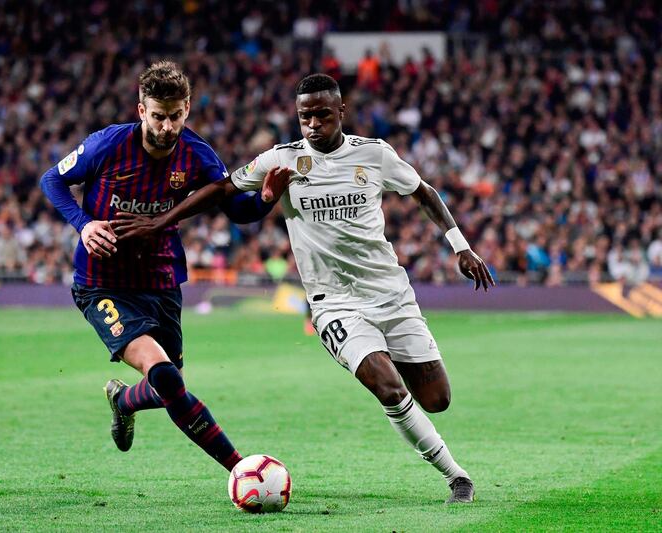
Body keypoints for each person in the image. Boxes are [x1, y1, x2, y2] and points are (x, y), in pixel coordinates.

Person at [111, 73, 495, 503]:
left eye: (322, 115)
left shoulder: (375, 154)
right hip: (334, 303)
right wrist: (161, 222)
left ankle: (398, 373)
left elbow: (423, 192)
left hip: (392, 294)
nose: (312, 124)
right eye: (304, 116)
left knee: (437, 398)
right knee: (389, 388)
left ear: (341, 113)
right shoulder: (281, 160)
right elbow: (221, 189)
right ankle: (456, 476)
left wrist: (460, 245)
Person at [39, 61, 279, 473]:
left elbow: (235, 209)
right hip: (103, 283)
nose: (167, 126)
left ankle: (122, 400)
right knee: (166, 378)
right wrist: (84, 224)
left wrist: (265, 199)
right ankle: (241, 470)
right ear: (141, 111)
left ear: (186, 109)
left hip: (161, 280)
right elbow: (52, 180)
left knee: (170, 384)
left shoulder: (198, 155)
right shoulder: (108, 145)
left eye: (175, 116)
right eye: (158, 116)